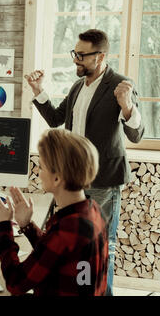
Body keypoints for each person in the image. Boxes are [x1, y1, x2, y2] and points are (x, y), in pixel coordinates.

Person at [24, 29, 144, 295]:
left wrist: (127, 107)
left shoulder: (121, 85)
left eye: (81, 55)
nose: (75, 59)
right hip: (73, 181)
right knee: (75, 248)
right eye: (74, 53)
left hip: (103, 181)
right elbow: (56, 118)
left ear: (100, 56)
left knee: (103, 249)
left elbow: (136, 134)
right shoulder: (78, 85)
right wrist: (38, 90)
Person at [0, 128, 108, 296]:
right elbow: (56, 255)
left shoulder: (65, 230)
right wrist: (26, 225)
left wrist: (4, 224)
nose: (38, 173)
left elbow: (15, 283)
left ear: (57, 179)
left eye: (41, 167)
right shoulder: (94, 210)